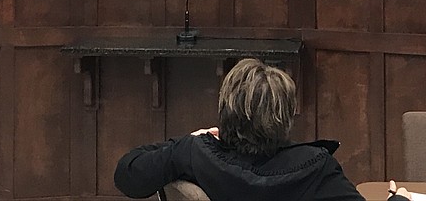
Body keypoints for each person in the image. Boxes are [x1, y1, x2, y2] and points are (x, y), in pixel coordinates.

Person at [114, 58, 411, 201]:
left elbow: (127, 173)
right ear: (285, 115)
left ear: (225, 107)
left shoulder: (196, 153)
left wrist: (185, 142)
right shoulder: (315, 167)